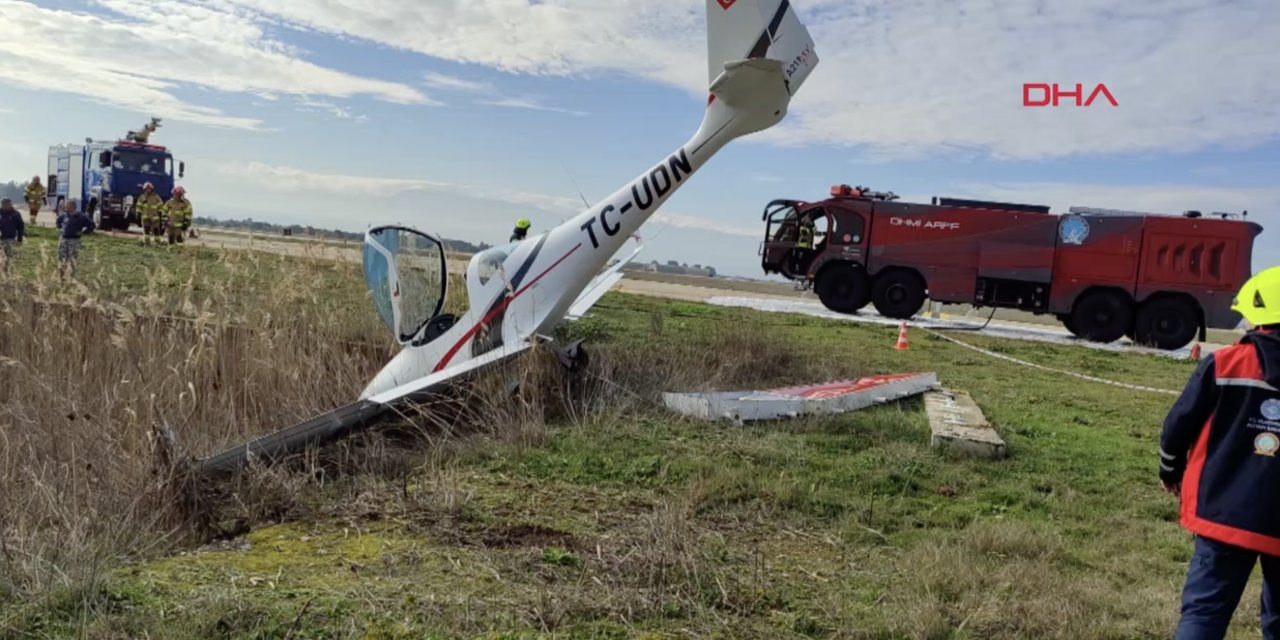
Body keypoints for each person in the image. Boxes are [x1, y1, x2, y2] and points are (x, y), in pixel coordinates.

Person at [1161, 265, 1280, 639]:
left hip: (1223, 510)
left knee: (1204, 615)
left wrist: (1170, 469)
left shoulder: (1225, 364)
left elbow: (1177, 427)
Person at [55, 199, 95, 279]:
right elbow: (58, 222)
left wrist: (84, 232)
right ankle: (61, 277)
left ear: (72, 206)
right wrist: (60, 228)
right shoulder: (64, 215)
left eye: (67, 205)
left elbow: (91, 225)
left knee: (72, 259)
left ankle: (71, 277)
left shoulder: (81, 216)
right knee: (61, 258)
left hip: (74, 240)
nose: (65, 207)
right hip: (63, 239)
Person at [0, 198, 24, 276]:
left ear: (10, 204)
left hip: (10, 239)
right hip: (0, 239)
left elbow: (20, 227)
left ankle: (6, 273)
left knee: (8, 257)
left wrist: (19, 239)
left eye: (6, 204)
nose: (4, 206)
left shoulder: (15, 214)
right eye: (2, 204)